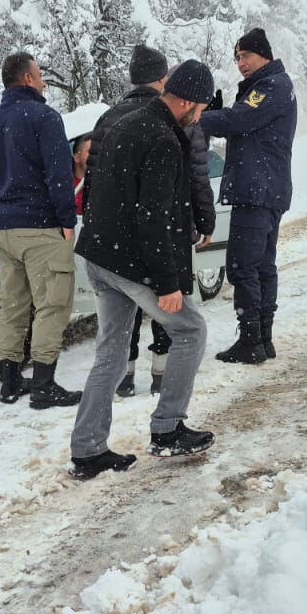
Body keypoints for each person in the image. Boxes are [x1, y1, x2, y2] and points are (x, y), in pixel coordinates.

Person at [69, 60, 218, 480]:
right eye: (201, 107)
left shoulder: (122, 123)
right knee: (191, 330)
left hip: (100, 254)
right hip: (130, 261)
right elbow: (155, 216)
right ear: (186, 100)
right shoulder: (164, 139)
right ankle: (168, 430)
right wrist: (168, 282)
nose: (201, 115)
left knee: (111, 354)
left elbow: (95, 185)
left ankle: (87, 450)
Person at [94, 49, 218, 398]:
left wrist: (99, 228)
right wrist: (204, 218)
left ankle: (126, 375)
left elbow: (94, 176)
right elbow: (195, 175)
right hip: (158, 238)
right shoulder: (174, 128)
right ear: (163, 80)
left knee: (117, 334)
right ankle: (163, 381)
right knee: (178, 314)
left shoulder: (110, 118)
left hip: (111, 246)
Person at [0, 51, 82, 409]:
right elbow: (58, 176)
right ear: (26, 79)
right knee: (52, 304)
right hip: (40, 226)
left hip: (4, 230)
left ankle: (10, 383)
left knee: (12, 305)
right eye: (39, 76)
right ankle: (43, 385)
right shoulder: (45, 118)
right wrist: (67, 220)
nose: (43, 82)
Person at [198, 27, 296, 365]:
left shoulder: (271, 87)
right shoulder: (269, 87)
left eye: (246, 56)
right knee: (262, 265)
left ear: (263, 55)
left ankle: (252, 338)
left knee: (243, 266)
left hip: (257, 190)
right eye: (237, 58)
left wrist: (198, 116)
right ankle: (262, 338)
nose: (241, 63)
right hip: (265, 188)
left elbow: (239, 120)